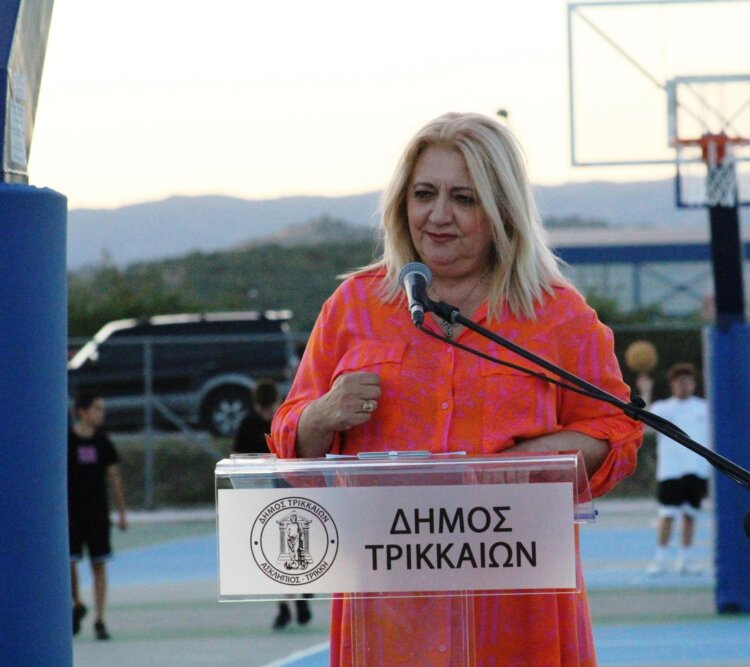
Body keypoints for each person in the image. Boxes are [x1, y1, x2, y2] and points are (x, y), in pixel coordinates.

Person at [268, 111, 643, 665]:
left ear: (501, 210)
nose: (439, 215)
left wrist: (528, 463)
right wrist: (320, 416)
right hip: (392, 619)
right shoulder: (353, 306)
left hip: (519, 616)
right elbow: (289, 438)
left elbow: (618, 432)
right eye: (424, 194)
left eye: (464, 199)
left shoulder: (558, 315)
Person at [232, 378, 312, 629]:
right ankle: (288, 602)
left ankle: (296, 597)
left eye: (270, 410)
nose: (267, 416)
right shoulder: (247, 425)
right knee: (276, 553)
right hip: (263, 496)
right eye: (262, 411)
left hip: (291, 491)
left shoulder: (288, 419)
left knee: (295, 548)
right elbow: (238, 460)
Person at [637, 362, 712, 576]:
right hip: (670, 470)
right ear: (672, 385)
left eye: (687, 381)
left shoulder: (704, 408)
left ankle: (685, 560)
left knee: (690, 515)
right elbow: (643, 423)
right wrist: (645, 391)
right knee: (667, 514)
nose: (683, 385)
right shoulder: (663, 408)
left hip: (696, 469)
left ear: (694, 384)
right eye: (679, 382)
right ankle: (660, 560)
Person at [68, 390, 128, 640]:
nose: (101, 414)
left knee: (99, 565)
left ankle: (100, 619)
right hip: (72, 514)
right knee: (69, 562)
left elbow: (114, 477)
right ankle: (76, 603)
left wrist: (122, 512)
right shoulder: (67, 441)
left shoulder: (103, 442)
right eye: (96, 409)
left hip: (97, 515)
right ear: (82, 412)